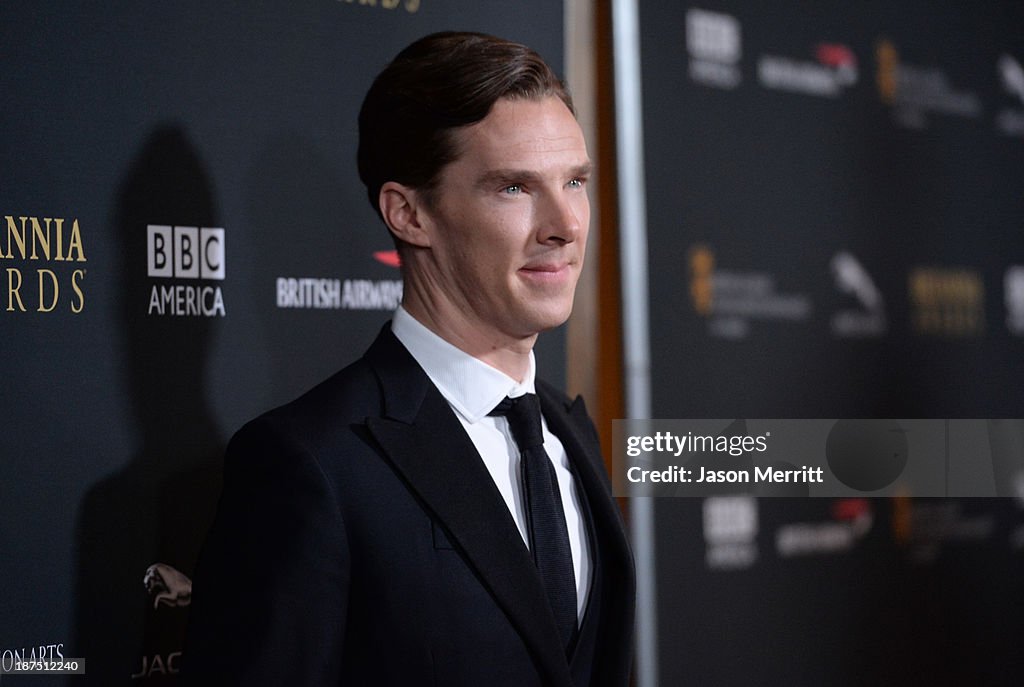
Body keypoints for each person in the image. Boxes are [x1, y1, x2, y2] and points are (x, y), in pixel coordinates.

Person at [182, 31, 635, 686]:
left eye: (575, 180)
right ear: (409, 212)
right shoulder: (311, 465)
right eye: (514, 187)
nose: (565, 222)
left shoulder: (571, 431)